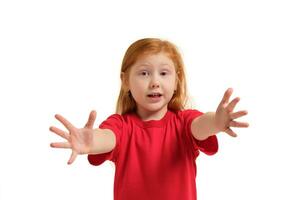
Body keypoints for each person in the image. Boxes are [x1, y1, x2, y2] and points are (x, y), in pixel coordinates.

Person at [50, 38, 249, 200]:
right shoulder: (121, 125)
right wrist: (92, 141)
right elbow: (108, 137)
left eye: (164, 73)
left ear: (176, 81)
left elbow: (201, 125)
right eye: (144, 73)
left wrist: (216, 122)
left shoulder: (183, 122)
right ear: (125, 80)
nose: (155, 82)